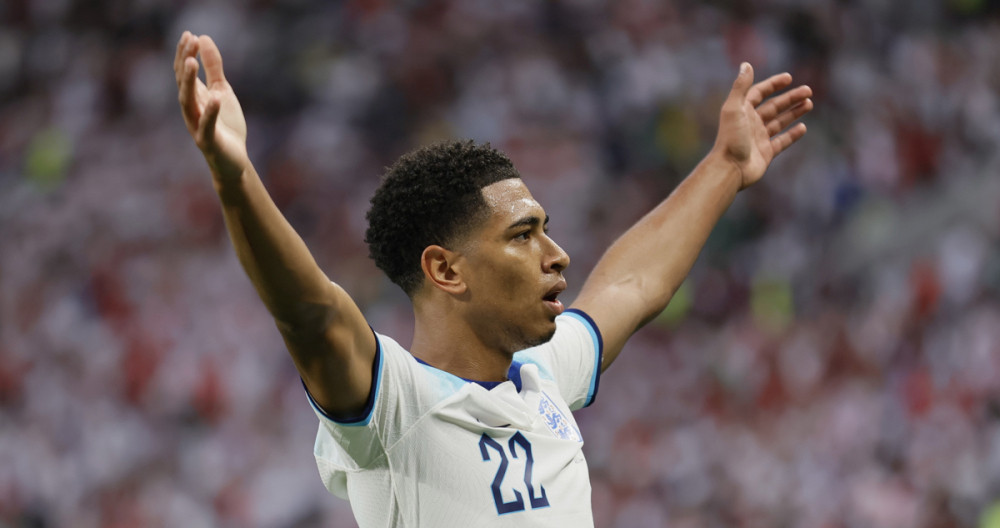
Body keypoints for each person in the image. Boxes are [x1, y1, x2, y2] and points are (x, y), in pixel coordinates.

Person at [173, 30, 812, 527]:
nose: (557, 255)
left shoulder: (541, 377)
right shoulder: (396, 405)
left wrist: (725, 165)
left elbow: (631, 287)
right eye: (522, 235)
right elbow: (308, 312)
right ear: (445, 270)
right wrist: (237, 179)